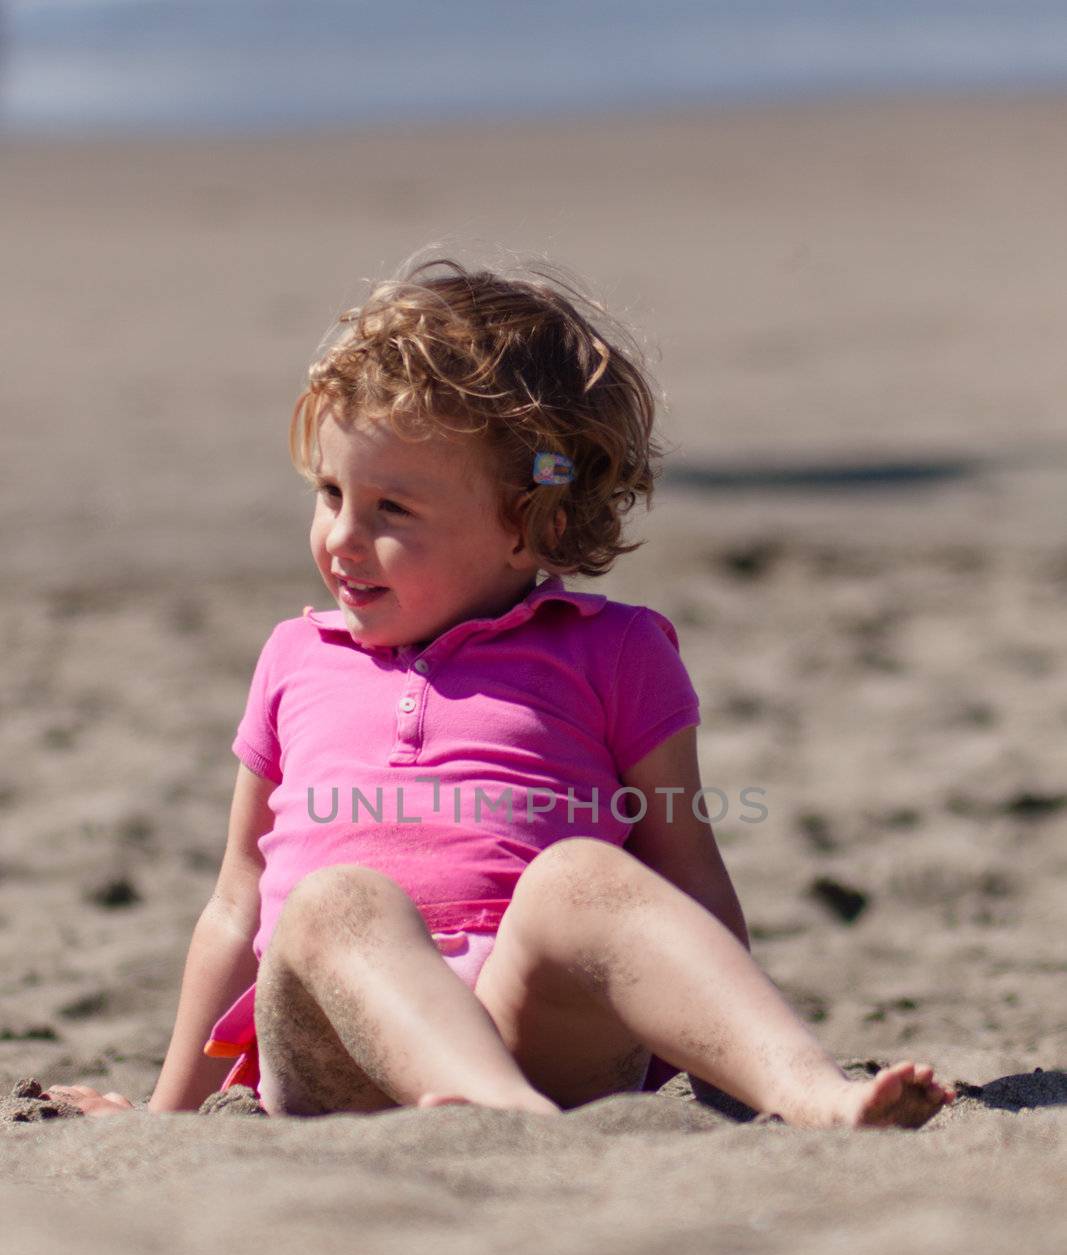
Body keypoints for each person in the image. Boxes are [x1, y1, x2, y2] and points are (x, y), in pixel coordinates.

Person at [46, 254, 953, 1127]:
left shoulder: (616, 651)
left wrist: (717, 1067)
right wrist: (169, 1115)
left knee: (586, 875)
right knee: (332, 901)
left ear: (533, 523)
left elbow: (686, 881)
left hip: (543, 1030)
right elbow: (239, 898)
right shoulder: (295, 657)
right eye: (329, 493)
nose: (342, 540)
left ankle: (811, 1093)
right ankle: (491, 1107)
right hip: (341, 1047)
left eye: (391, 511)